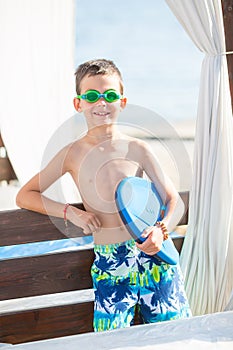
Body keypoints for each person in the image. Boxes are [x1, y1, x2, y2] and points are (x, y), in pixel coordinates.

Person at [16, 58, 191, 332]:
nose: (101, 103)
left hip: (153, 253)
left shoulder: (138, 149)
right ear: (79, 104)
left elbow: (173, 200)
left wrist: (162, 230)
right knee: (111, 339)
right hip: (112, 261)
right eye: (91, 96)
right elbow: (25, 195)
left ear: (122, 101)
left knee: (173, 332)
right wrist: (71, 212)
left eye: (109, 95)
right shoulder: (71, 154)